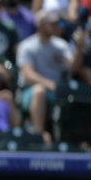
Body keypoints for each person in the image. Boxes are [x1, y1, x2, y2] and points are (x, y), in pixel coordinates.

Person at [17, 10, 74, 143]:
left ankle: (76, 139)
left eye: (58, 23)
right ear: (41, 25)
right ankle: (39, 135)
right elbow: (28, 75)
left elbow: (73, 68)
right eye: (52, 23)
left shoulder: (61, 45)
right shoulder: (27, 46)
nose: (57, 26)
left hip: (57, 92)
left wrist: (81, 46)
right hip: (30, 92)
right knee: (39, 90)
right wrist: (51, 85)